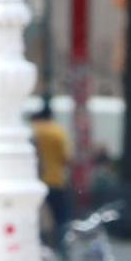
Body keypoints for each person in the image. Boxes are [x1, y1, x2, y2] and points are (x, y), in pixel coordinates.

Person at [30, 104, 73, 251]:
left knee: (34, 215)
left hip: (34, 182)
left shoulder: (34, 131)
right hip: (56, 180)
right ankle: (61, 246)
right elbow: (66, 157)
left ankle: (36, 244)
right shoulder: (58, 132)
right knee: (61, 216)